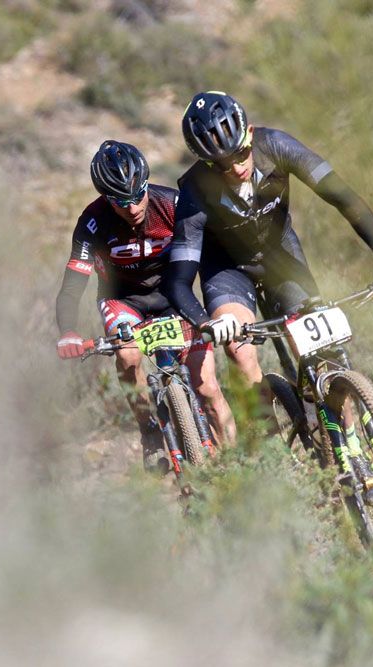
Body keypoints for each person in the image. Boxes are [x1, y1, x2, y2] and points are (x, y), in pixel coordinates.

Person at [163, 92, 373, 498]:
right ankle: (276, 466)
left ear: (250, 134)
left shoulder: (277, 145)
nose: (236, 167)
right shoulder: (194, 190)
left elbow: (343, 197)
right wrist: (207, 323)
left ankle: (349, 443)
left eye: (241, 154)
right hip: (228, 271)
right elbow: (178, 279)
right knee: (240, 351)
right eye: (221, 164)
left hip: (280, 257)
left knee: (325, 353)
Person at [56, 140, 234, 471]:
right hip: (123, 300)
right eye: (121, 201)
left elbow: (214, 251)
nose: (133, 206)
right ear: (106, 198)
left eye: (139, 195)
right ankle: (149, 430)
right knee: (127, 356)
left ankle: (238, 469)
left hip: (175, 297)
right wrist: (68, 331)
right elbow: (72, 285)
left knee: (209, 389)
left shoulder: (172, 204)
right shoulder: (92, 222)